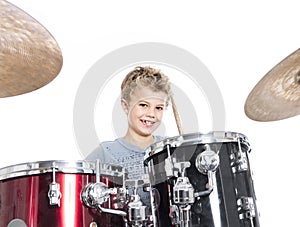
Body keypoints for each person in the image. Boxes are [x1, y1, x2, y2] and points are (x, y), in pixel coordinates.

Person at [85, 65, 174, 215]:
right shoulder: (105, 153)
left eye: (158, 108)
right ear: (126, 106)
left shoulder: (170, 148)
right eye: (144, 105)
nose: (151, 114)